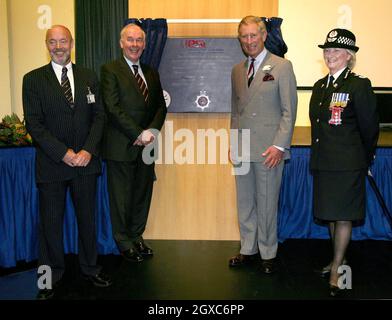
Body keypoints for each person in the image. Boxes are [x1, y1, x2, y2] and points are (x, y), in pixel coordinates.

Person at [22, 25, 112, 300]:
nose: (58, 46)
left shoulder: (88, 76)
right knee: (50, 225)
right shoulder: (33, 79)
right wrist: (64, 153)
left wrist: (87, 151)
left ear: (71, 43)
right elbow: (34, 125)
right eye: (53, 42)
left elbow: (100, 117)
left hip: (85, 163)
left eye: (63, 41)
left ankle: (90, 268)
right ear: (46, 45)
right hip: (52, 164)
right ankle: (49, 278)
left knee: (87, 220)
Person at [309, 28, 379, 296]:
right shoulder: (319, 86)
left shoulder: (358, 85)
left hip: (347, 164)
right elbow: (319, 125)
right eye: (327, 50)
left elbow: (369, 127)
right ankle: (339, 258)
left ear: (349, 56)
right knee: (329, 212)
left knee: (344, 215)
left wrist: (364, 158)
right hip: (325, 162)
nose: (330, 55)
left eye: (336, 51)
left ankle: (338, 266)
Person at [229, 16, 298, 273]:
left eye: (253, 35)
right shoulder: (237, 70)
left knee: (267, 203)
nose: (249, 41)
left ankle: (268, 253)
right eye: (244, 37)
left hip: (269, 150)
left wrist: (279, 147)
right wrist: (234, 143)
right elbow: (235, 112)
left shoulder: (282, 66)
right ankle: (248, 248)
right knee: (245, 203)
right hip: (243, 149)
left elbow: (288, 112)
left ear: (264, 35)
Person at [100, 23, 167, 263]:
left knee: (142, 194)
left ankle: (137, 236)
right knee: (121, 198)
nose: (135, 44)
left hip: (148, 147)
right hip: (121, 146)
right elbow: (112, 107)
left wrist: (151, 131)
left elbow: (161, 106)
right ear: (121, 43)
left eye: (139, 40)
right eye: (130, 40)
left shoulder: (151, 72)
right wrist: (138, 133)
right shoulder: (110, 70)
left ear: (145, 44)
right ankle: (124, 242)